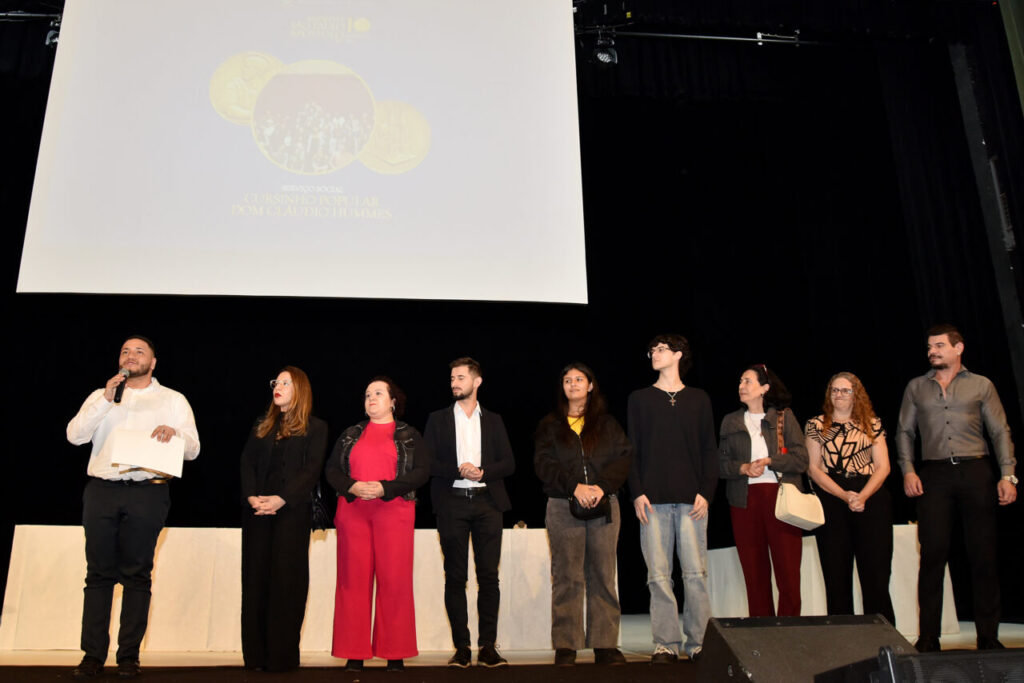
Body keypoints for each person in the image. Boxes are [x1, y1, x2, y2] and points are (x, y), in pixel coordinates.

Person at [66, 336, 200, 680]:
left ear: (153, 362)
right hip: (102, 489)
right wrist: (105, 401)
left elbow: (194, 449)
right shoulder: (102, 396)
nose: (131, 355)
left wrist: (175, 434)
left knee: (137, 575)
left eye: (140, 351)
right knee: (97, 574)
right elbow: (74, 436)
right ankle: (92, 655)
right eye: (125, 350)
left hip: (148, 491)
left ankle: (128, 657)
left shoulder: (172, 400)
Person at [896, 324, 1017, 651]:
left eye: (938, 345)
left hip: (976, 470)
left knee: (983, 557)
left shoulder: (981, 385)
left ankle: (988, 638)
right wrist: (908, 470)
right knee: (933, 555)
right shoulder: (916, 387)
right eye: (929, 347)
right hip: (934, 476)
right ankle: (928, 639)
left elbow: (1000, 432)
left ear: (958, 348)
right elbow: (904, 432)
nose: (932, 351)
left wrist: (1008, 475)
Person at [325, 376, 430, 671]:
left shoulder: (410, 434)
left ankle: (394, 651)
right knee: (352, 582)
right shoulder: (349, 434)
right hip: (353, 512)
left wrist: (387, 488)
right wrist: (351, 486)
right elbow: (331, 470)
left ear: (393, 401)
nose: (371, 398)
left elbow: (422, 471)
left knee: (394, 581)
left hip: (394, 512)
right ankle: (353, 651)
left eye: (379, 393)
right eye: (368, 394)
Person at [534, 362, 631, 666]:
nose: (573, 384)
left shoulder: (607, 424)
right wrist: (574, 486)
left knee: (603, 573)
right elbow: (543, 464)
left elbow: (624, 458)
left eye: (579, 379)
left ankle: (605, 644)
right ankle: (567, 644)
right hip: (563, 505)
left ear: (591, 385)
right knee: (567, 575)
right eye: (567, 380)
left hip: (604, 504)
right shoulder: (550, 424)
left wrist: (601, 487)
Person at [627, 334, 717, 663]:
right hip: (652, 501)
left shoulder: (699, 399)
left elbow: (710, 450)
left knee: (695, 575)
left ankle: (699, 644)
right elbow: (631, 450)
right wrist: (637, 492)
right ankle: (666, 643)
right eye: (651, 349)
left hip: (693, 501)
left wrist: (706, 493)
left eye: (662, 349)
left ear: (678, 355)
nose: (654, 353)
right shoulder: (639, 399)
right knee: (658, 576)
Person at [424, 358, 515, 668]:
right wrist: (460, 470)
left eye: (461, 377)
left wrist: (483, 472)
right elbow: (427, 464)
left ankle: (488, 647)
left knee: (489, 578)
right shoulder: (437, 419)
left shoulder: (494, 420)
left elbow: (509, 463)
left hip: (488, 503)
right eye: (452, 377)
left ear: (477, 382)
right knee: (455, 578)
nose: (454, 382)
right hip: (452, 502)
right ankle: (461, 648)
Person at [239, 366, 328, 671]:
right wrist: (253, 496)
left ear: (299, 389)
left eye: (286, 382)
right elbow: (246, 463)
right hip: (258, 512)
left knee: (286, 583)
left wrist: (282, 498)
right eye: (276, 381)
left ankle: (281, 658)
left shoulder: (316, 427)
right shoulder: (261, 425)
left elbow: (311, 470)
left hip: (292, 513)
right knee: (255, 581)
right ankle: (255, 657)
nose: (278, 386)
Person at [804, 372, 895, 624]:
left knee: (875, 573)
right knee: (836, 574)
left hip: (871, 495)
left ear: (857, 394)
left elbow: (884, 467)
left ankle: (881, 636)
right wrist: (844, 495)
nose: (839, 395)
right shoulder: (816, 424)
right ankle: (843, 640)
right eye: (834, 390)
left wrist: (862, 496)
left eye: (845, 390)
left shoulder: (872, 424)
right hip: (832, 496)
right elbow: (813, 468)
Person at [719, 364, 808, 617]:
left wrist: (770, 461)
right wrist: (743, 467)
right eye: (740, 381)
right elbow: (721, 464)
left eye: (747, 381)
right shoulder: (730, 421)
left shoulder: (784, 417)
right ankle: (761, 628)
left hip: (780, 499)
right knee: (754, 572)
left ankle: (789, 627)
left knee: (788, 570)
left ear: (764, 388)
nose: (741, 386)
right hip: (743, 501)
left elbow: (801, 459)